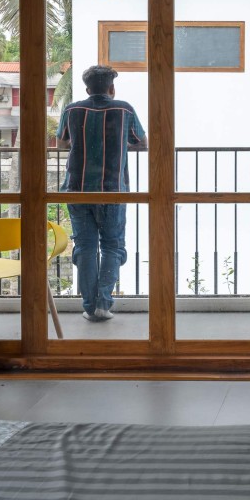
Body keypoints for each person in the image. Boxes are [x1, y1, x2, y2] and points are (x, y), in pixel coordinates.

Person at [57, 65, 147, 322]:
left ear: (87, 89)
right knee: (112, 246)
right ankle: (103, 304)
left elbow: (62, 143)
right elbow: (142, 141)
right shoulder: (123, 109)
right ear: (111, 88)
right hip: (113, 190)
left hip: (77, 190)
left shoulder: (72, 110)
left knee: (85, 246)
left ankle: (88, 306)